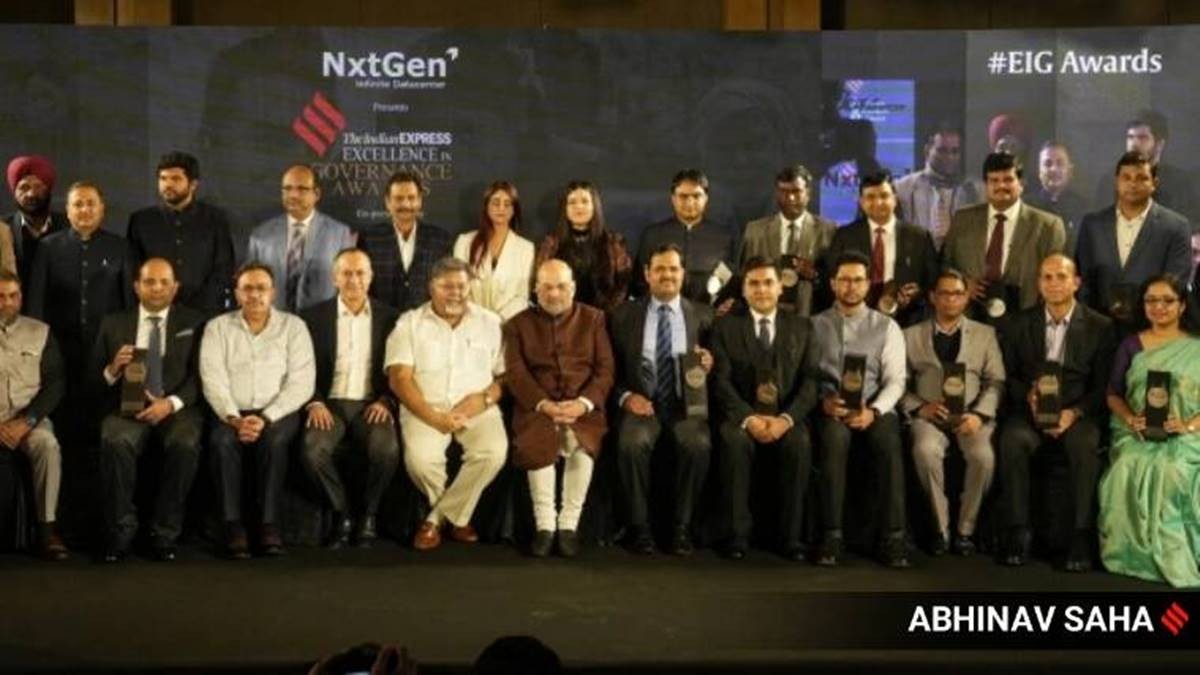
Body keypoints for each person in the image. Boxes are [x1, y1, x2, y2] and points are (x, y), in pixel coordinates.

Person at [997, 253, 1115, 571]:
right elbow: (1009, 376)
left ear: (1076, 282)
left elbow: (1103, 386)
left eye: (1061, 276)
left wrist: (1073, 413)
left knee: (1084, 444)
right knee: (1012, 440)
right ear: (1038, 283)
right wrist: (1029, 399)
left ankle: (1081, 535)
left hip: (1077, 412)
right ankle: (1018, 532)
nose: (1053, 283)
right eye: (1046, 277)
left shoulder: (1100, 326)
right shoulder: (1017, 323)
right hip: (1031, 412)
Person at [385, 257, 506, 551]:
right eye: (447, 287)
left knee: (493, 452)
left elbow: (506, 377)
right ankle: (459, 519)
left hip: (478, 408)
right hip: (425, 407)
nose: (456, 293)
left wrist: (486, 398)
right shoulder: (409, 323)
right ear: (431, 288)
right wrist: (433, 417)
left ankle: (435, 520)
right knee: (421, 461)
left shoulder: (491, 323)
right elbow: (399, 379)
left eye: (462, 286)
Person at [91, 258, 206, 563]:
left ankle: (164, 533)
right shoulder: (112, 323)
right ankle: (120, 532)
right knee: (115, 440)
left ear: (175, 287)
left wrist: (171, 404)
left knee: (185, 443)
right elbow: (91, 380)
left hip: (176, 408)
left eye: (164, 282)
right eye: (149, 282)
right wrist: (113, 369)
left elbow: (201, 376)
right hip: (126, 407)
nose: (157, 288)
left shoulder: (196, 322)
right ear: (136, 286)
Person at [200, 263, 315, 558]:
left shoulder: (294, 327)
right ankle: (232, 525)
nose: (254, 295)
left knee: (274, 441)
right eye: (247, 288)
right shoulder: (217, 328)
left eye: (261, 288)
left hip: (278, 412)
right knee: (222, 442)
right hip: (230, 411)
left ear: (273, 292)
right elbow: (213, 380)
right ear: (237, 293)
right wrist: (234, 419)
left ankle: (268, 525)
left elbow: (302, 383)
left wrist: (265, 418)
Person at [504, 259, 614, 557]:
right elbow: (516, 373)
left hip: (584, 406)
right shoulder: (517, 325)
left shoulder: (594, 319)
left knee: (581, 441)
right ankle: (545, 526)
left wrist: (583, 404)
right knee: (538, 440)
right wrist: (543, 404)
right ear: (536, 289)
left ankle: (568, 525)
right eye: (547, 287)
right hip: (536, 406)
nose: (554, 294)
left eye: (561, 287)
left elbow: (605, 370)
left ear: (573, 288)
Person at [711, 257, 818, 560]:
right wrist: (748, 418)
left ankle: (791, 538)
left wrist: (786, 419)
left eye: (768, 282)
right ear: (743, 290)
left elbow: (811, 382)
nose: (761, 290)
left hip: (786, 415)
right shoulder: (725, 327)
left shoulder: (803, 327)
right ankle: (736, 536)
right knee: (734, 440)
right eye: (754, 284)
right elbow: (720, 383)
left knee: (799, 442)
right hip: (741, 415)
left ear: (781, 287)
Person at [609, 243, 713, 555]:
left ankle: (682, 528)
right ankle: (639, 528)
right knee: (631, 443)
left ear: (683, 273)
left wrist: (711, 363)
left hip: (687, 408)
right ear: (647, 274)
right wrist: (626, 397)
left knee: (698, 445)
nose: (667, 275)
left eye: (673, 268)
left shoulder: (704, 316)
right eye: (659, 269)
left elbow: (722, 369)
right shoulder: (623, 315)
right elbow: (608, 371)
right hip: (643, 405)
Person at [1099, 274, 1200, 587]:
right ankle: (1131, 556)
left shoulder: (1197, 347)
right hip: (1137, 433)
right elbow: (1113, 394)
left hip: (1188, 434)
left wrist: (1188, 425)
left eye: (1167, 300)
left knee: (1174, 470)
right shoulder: (1131, 345)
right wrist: (1131, 419)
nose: (1159, 307)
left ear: (1182, 305)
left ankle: (1176, 555)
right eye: (1151, 300)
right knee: (1126, 467)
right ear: (1142, 306)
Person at [811, 251, 909, 568]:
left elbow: (896, 380)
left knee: (888, 441)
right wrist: (823, 402)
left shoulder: (887, 326)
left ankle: (894, 537)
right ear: (832, 283)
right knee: (834, 440)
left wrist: (875, 411)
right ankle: (831, 535)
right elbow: (805, 376)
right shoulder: (813, 325)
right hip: (831, 408)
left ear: (868, 285)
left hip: (875, 406)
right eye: (844, 280)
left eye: (857, 280)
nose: (851, 286)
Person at [299, 249, 400, 549]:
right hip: (328, 404)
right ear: (334, 278)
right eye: (346, 273)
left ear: (371, 277)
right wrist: (314, 401)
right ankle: (342, 513)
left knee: (386, 450)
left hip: (372, 404)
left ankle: (368, 515)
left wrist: (386, 400)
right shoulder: (312, 318)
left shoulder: (391, 318)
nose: (354, 280)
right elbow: (299, 368)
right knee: (313, 451)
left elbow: (402, 368)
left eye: (360, 273)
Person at [901, 268, 1005, 556]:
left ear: (967, 297)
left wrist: (980, 415)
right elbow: (899, 384)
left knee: (983, 457)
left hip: (972, 416)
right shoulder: (910, 335)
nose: (951, 299)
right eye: (944, 293)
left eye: (958, 294)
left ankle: (965, 531)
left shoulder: (985, 334)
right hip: (929, 416)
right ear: (932, 297)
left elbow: (996, 381)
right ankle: (941, 530)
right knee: (924, 451)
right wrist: (920, 407)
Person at [1075, 151, 1192, 332]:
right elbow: (1082, 281)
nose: (1133, 184)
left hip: (1153, 330)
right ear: (1117, 182)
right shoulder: (1092, 224)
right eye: (1126, 177)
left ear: (1154, 184)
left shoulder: (1176, 227)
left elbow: (1176, 284)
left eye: (1141, 178)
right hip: (1098, 330)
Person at [942, 152, 1066, 322]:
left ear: (1021, 184)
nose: (1001, 186)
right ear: (986, 185)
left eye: (1008, 180)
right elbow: (945, 265)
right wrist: (962, 284)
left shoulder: (1048, 226)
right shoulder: (962, 220)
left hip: (1026, 323)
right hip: (970, 320)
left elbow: (1058, 280)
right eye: (994, 180)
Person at [0, 270, 67, 560]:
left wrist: (26, 422)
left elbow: (55, 384)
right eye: (1, 297)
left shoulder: (41, 331)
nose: (7, 302)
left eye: (13, 296)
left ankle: (47, 529)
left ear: (21, 297)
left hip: (29, 419)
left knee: (48, 446)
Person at [824, 170, 938, 327]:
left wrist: (916, 294)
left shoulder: (919, 237)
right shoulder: (845, 236)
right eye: (870, 197)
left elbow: (933, 282)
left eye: (884, 196)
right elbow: (831, 278)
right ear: (861, 202)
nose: (878, 203)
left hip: (907, 322)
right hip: (853, 322)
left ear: (895, 199)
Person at [126, 151, 236, 314]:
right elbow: (134, 269)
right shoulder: (141, 220)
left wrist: (200, 306)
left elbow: (224, 269)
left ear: (193, 184)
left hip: (204, 313)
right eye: (163, 178)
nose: (167, 184)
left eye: (176, 179)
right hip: (156, 311)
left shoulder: (215, 219)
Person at [246, 164, 355, 312]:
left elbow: (347, 285)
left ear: (317, 194)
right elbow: (250, 283)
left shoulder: (339, 233)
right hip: (273, 321)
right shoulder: (261, 235)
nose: (293, 195)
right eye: (287, 188)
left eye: (302, 189)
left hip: (320, 320)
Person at [737, 165, 836, 316]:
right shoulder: (754, 231)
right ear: (776, 194)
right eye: (784, 191)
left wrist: (814, 275)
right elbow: (741, 278)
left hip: (811, 317)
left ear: (808, 193)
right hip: (763, 317)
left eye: (796, 191)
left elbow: (835, 281)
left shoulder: (828, 230)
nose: (790, 198)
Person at [633, 169, 737, 310]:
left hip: (711, 315)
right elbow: (639, 283)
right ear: (673, 198)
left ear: (706, 198)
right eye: (683, 196)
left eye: (696, 196)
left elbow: (731, 280)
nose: (689, 202)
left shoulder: (723, 237)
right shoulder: (653, 235)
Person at [359, 170, 453, 314]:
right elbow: (362, 285)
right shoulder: (369, 238)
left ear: (420, 201)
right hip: (382, 322)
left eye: (411, 198)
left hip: (426, 322)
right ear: (387, 202)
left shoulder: (440, 239)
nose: (405, 204)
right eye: (398, 198)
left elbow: (446, 286)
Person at [534, 180, 631, 313]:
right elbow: (541, 283)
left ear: (594, 206)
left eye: (585, 201)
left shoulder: (614, 242)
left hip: (605, 318)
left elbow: (624, 285)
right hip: (560, 316)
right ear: (564, 208)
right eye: (572, 202)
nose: (579, 207)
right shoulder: (551, 244)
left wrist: (603, 315)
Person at [452, 181, 535, 321]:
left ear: (514, 210)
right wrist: (481, 319)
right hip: (472, 322)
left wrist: (497, 320)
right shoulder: (465, 242)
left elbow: (522, 296)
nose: (501, 208)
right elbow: (459, 288)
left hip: (509, 324)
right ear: (486, 206)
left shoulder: (526, 248)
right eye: (496, 203)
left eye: (507, 204)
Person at [893, 124, 983, 250]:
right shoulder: (903, 188)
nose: (949, 157)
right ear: (927, 151)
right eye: (942, 151)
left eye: (955, 151)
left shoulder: (974, 190)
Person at [2, 155, 68, 281]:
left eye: (38, 186)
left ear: (48, 189)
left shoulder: (70, 227)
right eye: (24, 187)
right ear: (14, 192)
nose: (31, 194)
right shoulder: (2, 230)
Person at [1023, 141, 1088, 251]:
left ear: (1070, 171)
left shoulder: (1084, 208)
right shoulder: (1025, 207)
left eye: (1060, 163)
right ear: (1039, 172)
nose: (1053, 169)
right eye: (1048, 164)